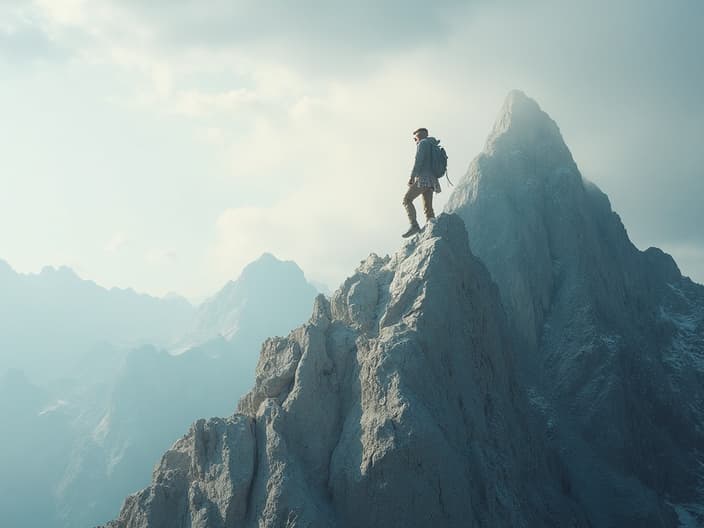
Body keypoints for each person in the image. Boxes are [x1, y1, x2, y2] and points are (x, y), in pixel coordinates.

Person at [402, 127, 442, 238]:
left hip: (423, 179)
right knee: (428, 209)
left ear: (419, 136)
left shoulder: (423, 144)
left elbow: (418, 161)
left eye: (415, 138)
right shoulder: (432, 144)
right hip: (432, 181)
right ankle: (432, 231)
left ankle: (414, 225)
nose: (415, 141)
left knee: (407, 200)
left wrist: (412, 177)